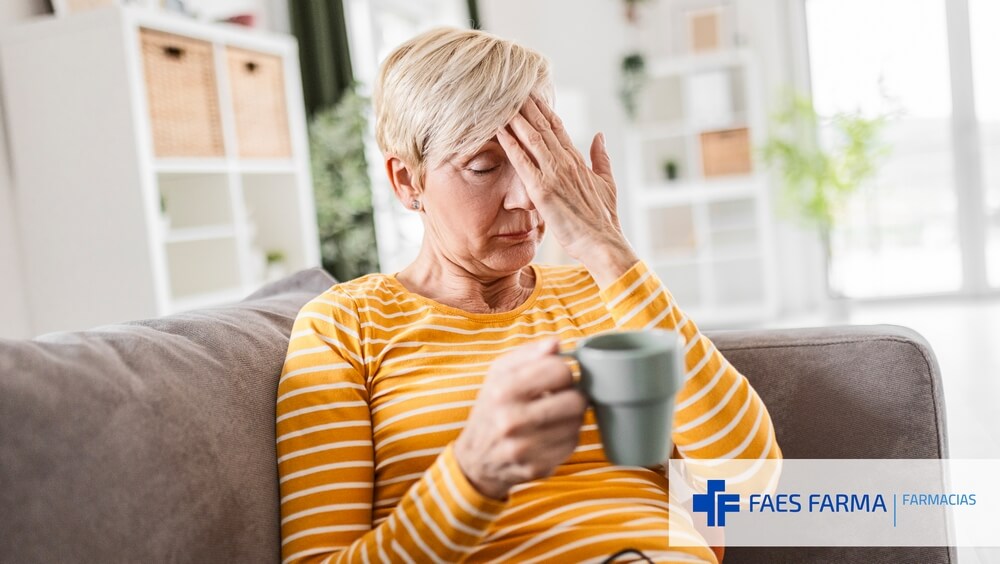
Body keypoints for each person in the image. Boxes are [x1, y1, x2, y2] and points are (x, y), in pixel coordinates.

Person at [277, 27, 781, 564]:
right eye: (484, 166)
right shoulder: (346, 326)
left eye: (539, 161)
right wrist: (473, 475)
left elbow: (749, 485)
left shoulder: (609, 289)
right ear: (407, 181)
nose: (526, 197)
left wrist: (605, 247)